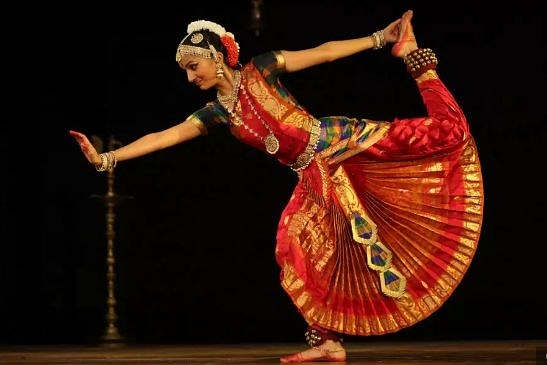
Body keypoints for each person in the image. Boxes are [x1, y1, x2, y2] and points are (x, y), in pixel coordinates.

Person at [70, 9, 484, 363]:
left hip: (338, 143)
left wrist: (379, 38)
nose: (189, 77)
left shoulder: (261, 69)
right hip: (313, 173)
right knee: (294, 245)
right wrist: (107, 158)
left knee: (445, 134)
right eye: (186, 71)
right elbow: (165, 136)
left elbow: (322, 53)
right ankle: (327, 343)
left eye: (193, 67)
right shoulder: (218, 113)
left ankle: (412, 55)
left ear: (215, 58)